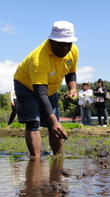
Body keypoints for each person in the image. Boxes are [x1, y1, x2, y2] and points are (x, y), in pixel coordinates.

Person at [13, 21, 78, 159]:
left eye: (68, 43)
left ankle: (58, 157)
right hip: (27, 86)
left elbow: (71, 72)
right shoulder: (39, 59)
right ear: (51, 41)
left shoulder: (73, 50)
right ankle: (35, 160)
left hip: (51, 88)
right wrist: (54, 122)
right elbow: (41, 93)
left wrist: (73, 89)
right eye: (61, 44)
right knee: (33, 121)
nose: (65, 48)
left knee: (54, 124)